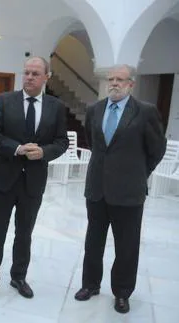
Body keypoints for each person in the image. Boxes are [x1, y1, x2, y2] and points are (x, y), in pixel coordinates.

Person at [74, 64, 166, 313]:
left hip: (129, 192)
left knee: (126, 245)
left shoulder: (145, 112)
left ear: (130, 84)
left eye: (120, 79)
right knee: (93, 241)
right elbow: (95, 143)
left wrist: (138, 173)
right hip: (97, 189)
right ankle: (90, 284)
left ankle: (122, 292)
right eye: (110, 79)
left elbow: (157, 148)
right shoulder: (95, 109)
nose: (114, 83)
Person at [0, 56, 69, 303]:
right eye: (26, 72)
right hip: (3, 178)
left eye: (35, 73)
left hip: (33, 181)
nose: (29, 77)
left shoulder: (56, 107)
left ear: (46, 77)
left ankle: (18, 276)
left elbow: (62, 141)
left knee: (24, 233)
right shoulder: (6, 100)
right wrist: (17, 148)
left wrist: (44, 153)